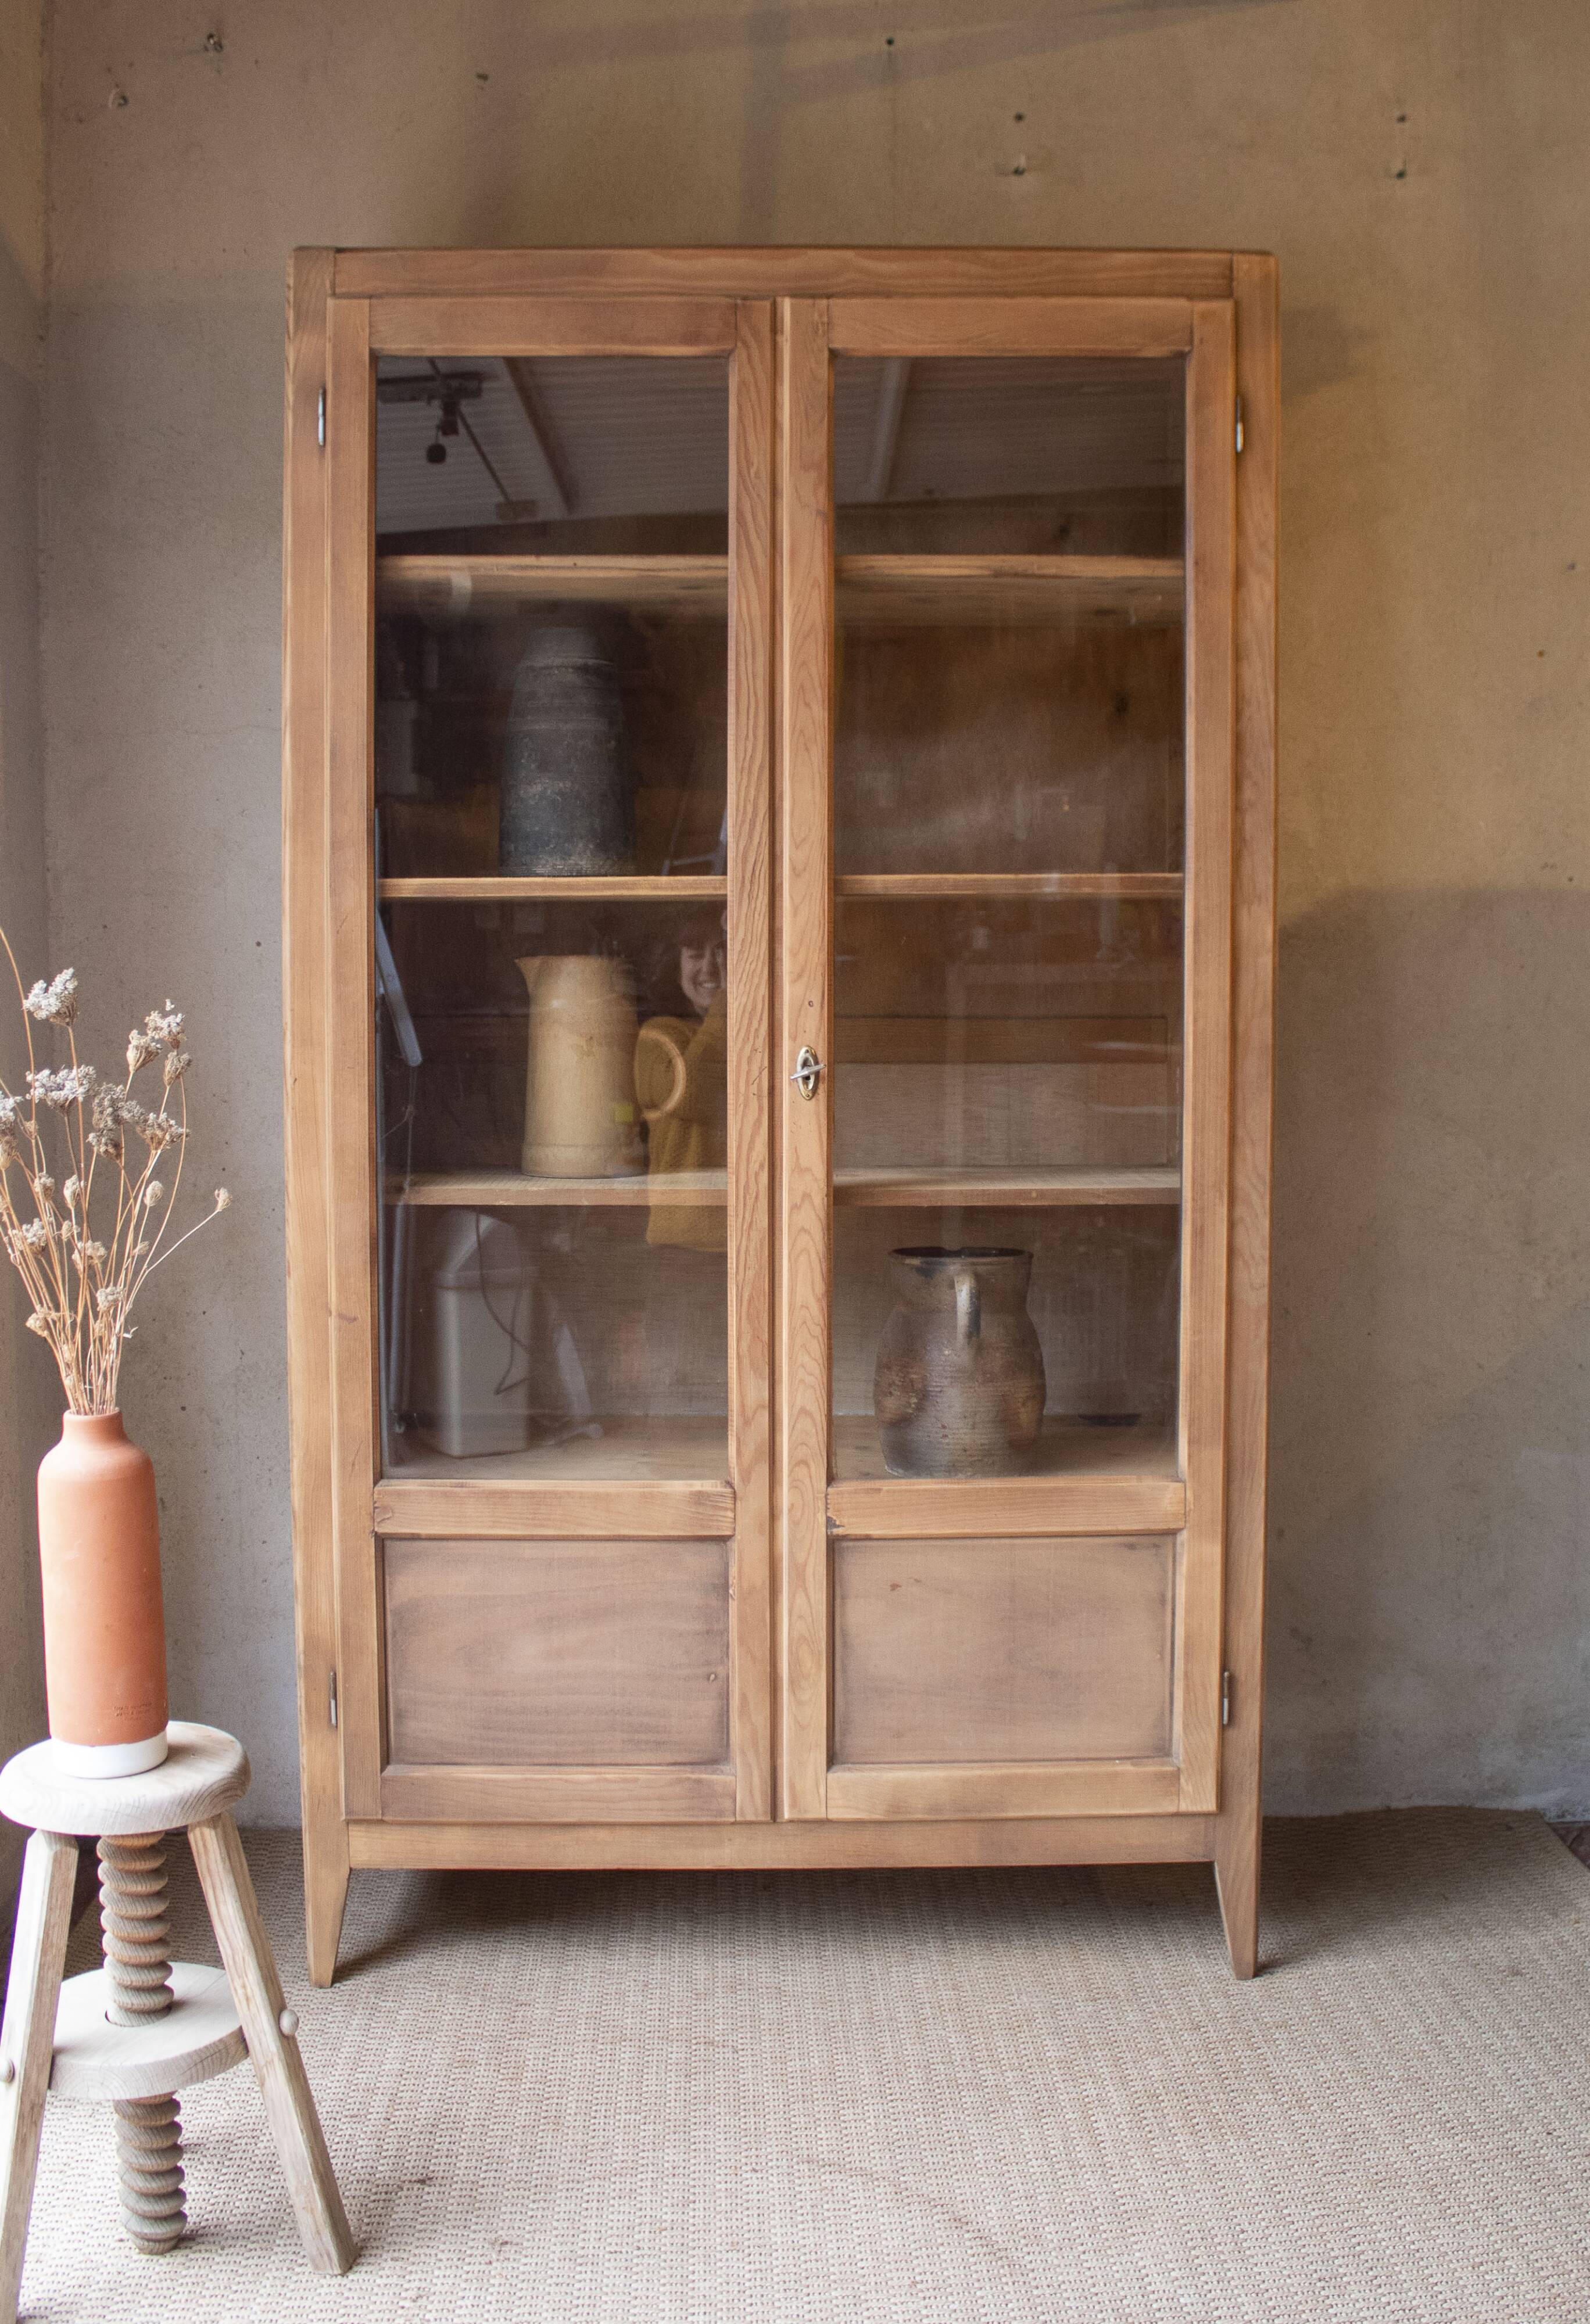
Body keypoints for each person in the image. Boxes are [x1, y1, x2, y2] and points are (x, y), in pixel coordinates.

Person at [634, 910, 727, 1251]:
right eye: (695, 955)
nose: (710, 968)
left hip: (754, 1228)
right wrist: (730, 997)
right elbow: (692, 1094)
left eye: (722, 951)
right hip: (684, 1239)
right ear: (676, 970)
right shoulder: (659, 1035)